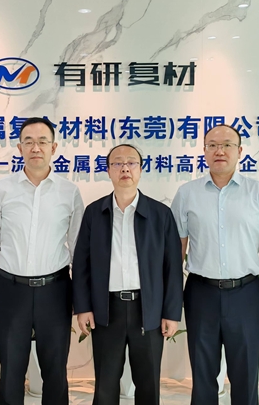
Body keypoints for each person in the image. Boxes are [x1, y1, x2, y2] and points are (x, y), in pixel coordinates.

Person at [171, 124, 259, 405]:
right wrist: (171, 298)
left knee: (245, 372)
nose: (219, 151)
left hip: (245, 293)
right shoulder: (187, 193)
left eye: (226, 145)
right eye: (212, 145)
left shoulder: (258, 192)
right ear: (204, 151)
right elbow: (177, 248)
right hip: (201, 292)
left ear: (240, 151)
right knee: (202, 372)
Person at [0, 117, 84, 405]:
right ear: (19, 147)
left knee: (55, 369)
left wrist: (80, 295)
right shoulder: (2, 189)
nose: (36, 148)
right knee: (11, 369)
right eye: (29, 142)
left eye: (42, 142)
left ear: (54, 148)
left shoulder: (69, 192)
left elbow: (78, 247)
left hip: (55, 289)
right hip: (11, 289)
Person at [73, 144, 183, 405]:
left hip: (147, 310)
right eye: (117, 163)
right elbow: (81, 264)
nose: (125, 168)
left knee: (148, 383)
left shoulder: (160, 214)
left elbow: (173, 268)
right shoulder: (94, 212)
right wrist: (83, 308)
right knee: (105, 384)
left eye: (131, 162)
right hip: (106, 310)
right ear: (108, 171)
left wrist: (171, 312)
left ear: (140, 170)